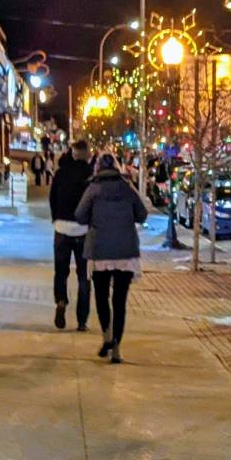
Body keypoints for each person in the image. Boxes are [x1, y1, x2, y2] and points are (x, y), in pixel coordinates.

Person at [75, 154, 146, 364]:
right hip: (125, 251)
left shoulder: (93, 189)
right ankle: (116, 347)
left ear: (97, 168)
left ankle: (106, 335)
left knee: (101, 296)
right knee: (120, 301)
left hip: (100, 251)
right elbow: (142, 214)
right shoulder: (127, 188)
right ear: (117, 167)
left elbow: (80, 215)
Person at [49, 141, 94, 331]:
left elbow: (52, 198)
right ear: (86, 155)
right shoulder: (90, 176)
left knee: (61, 271)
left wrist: (56, 218)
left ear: (73, 153)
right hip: (83, 230)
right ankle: (82, 320)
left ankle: (60, 300)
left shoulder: (60, 173)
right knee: (84, 276)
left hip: (62, 228)